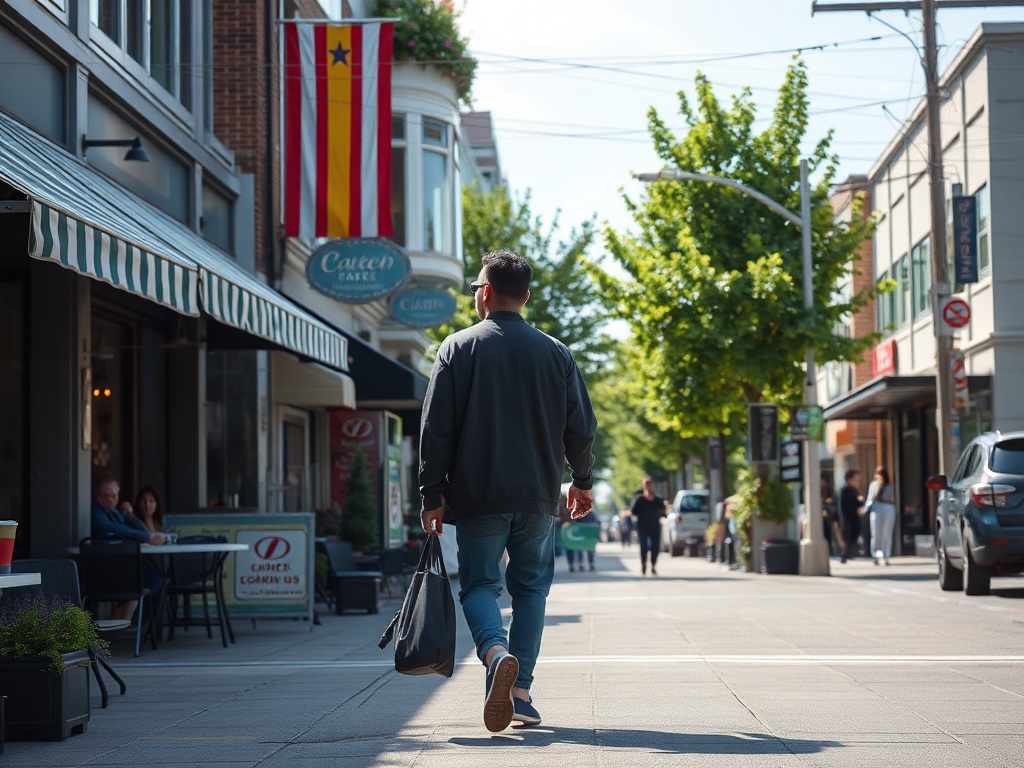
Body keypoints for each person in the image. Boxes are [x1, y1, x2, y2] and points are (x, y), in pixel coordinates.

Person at [418, 249, 597, 733]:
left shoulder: (456, 348)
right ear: (527, 296)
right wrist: (581, 482)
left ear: (485, 292)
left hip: (478, 496)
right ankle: (521, 694)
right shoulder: (556, 352)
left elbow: (436, 430)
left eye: (476, 286)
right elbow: (581, 427)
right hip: (539, 496)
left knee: (479, 586)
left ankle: (496, 654)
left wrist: (430, 494)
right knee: (532, 591)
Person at [90, 478, 167, 620]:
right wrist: (146, 537)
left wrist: (129, 514)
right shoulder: (97, 514)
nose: (115, 499)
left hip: (119, 569)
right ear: (99, 498)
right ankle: (130, 625)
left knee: (155, 577)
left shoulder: (115, 513)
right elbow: (119, 530)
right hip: (104, 574)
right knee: (150, 580)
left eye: (117, 495)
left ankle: (128, 623)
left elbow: (141, 530)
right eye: (110, 495)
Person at [630, 476, 666, 576]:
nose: (648, 486)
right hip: (642, 526)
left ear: (653, 485)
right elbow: (633, 511)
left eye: (650, 484)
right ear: (643, 485)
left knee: (655, 547)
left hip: (655, 526)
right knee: (644, 547)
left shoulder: (658, 499)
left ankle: (653, 566)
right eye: (646, 484)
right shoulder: (639, 499)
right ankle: (643, 565)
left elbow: (663, 511)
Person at [866, 466, 897, 566]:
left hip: (888, 509)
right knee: (876, 533)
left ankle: (886, 555)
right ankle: (875, 555)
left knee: (887, 533)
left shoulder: (890, 486)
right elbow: (870, 498)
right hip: (876, 509)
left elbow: (892, 500)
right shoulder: (873, 485)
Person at [837, 469, 862, 563]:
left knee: (855, 534)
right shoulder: (844, 490)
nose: (858, 481)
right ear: (849, 479)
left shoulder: (854, 490)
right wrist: (842, 519)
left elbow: (856, 503)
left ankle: (849, 553)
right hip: (847, 517)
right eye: (856, 479)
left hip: (854, 516)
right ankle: (844, 554)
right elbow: (842, 505)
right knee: (848, 536)